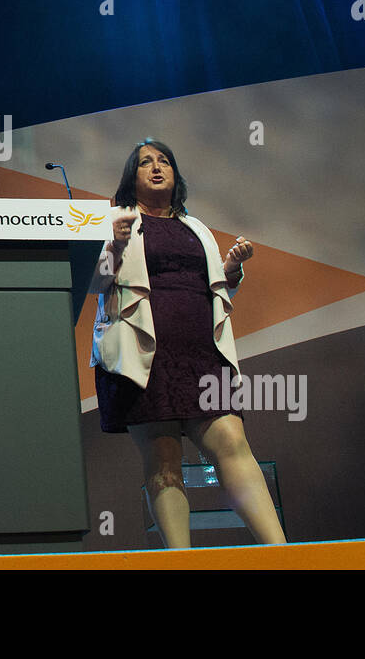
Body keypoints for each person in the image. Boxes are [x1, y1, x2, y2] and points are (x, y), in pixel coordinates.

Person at [90, 139, 286, 548]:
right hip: (144, 355)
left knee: (233, 443)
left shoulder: (194, 226)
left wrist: (230, 269)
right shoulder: (114, 221)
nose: (157, 167)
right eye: (145, 162)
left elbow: (215, 286)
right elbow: (94, 283)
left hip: (201, 354)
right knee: (163, 460)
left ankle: (280, 554)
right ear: (132, 177)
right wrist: (114, 244)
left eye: (164, 161)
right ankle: (181, 560)